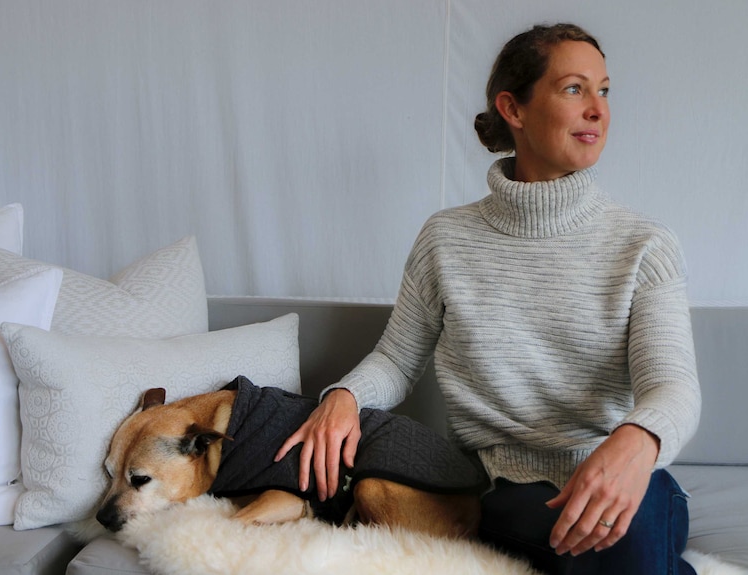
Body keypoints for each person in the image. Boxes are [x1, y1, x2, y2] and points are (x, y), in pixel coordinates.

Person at [276, 23, 701, 574]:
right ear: (514, 109)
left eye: (605, 90)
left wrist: (636, 440)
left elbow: (674, 385)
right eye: (574, 88)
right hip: (509, 493)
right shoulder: (446, 239)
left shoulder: (645, 245)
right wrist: (343, 397)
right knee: (587, 539)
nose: (598, 108)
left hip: (633, 484)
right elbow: (396, 361)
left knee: (624, 527)